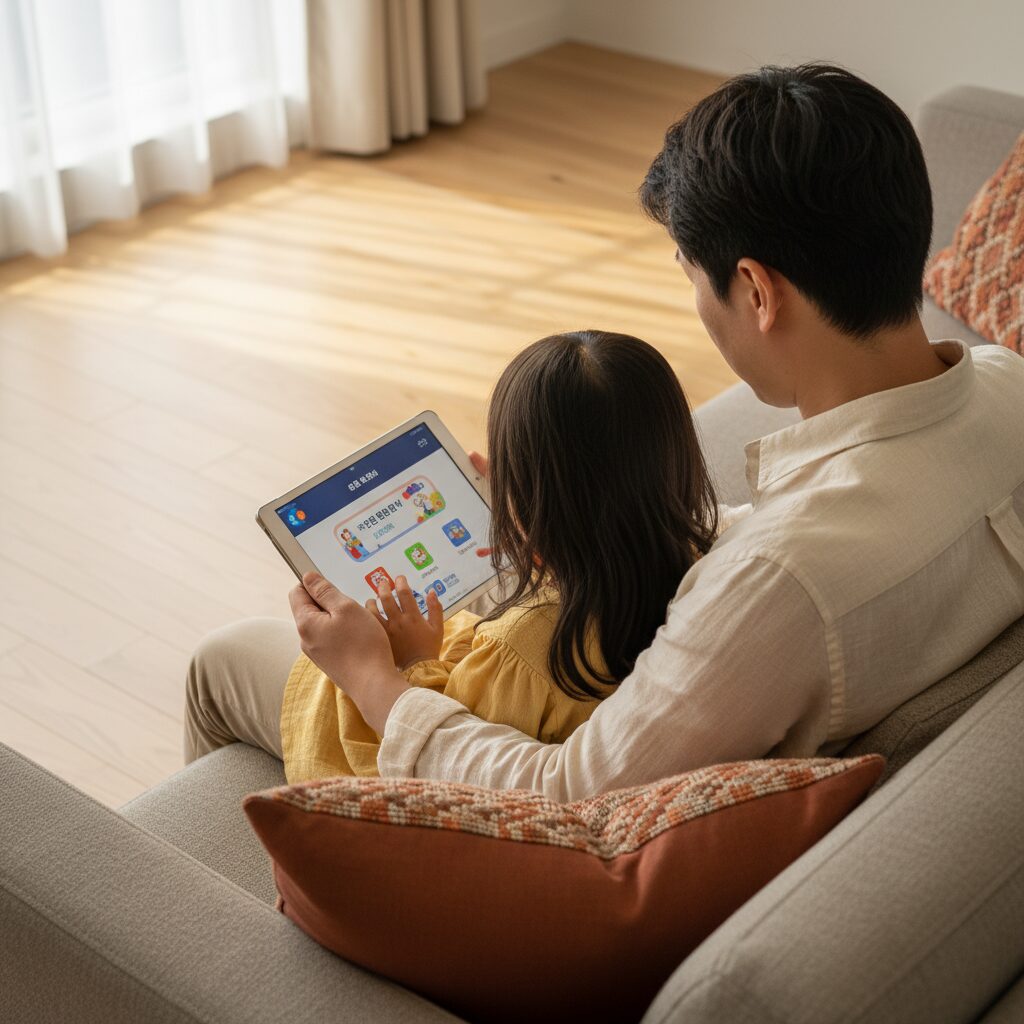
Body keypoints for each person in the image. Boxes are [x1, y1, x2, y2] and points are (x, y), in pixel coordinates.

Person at [185, 63, 1024, 802]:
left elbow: (570, 791)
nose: (696, 306)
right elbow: (815, 524)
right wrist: (592, 521)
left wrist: (373, 676)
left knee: (224, 660)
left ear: (757, 293)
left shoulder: (779, 589)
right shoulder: (1008, 388)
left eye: (691, 276)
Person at [275, 330, 718, 783]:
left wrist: (414, 661)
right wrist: (532, 523)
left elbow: (447, 750)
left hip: (411, 746)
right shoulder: (703, 554)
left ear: (529, 501)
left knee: (221, 659)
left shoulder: (517, 650)